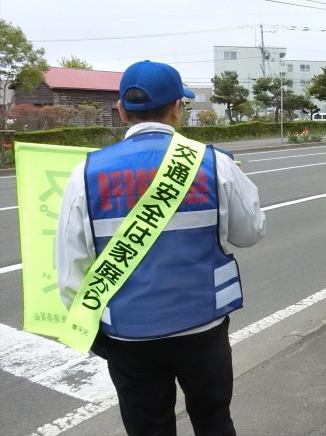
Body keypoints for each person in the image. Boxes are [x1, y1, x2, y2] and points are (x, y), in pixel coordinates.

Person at [56, 60, 266, 436]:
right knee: (214, 421)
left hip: (128, 334)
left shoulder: (84, 173)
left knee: (148, 430)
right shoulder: (213, 163)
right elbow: (250, 232)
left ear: (121, 111)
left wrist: (96, 333)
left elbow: (71, 271)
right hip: (204, 326)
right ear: (178, 108)